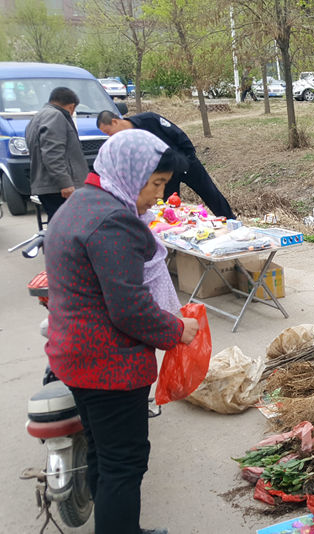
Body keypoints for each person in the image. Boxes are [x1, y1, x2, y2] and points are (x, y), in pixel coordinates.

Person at [44, 128, 199, 534]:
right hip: (107, 365)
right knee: (124, 463)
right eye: (156, 184)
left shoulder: (82, 202)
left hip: (74, 356)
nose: (157, 197)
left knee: (103, 452)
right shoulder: (114, 221)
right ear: (130, 173)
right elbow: (129, 308)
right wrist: (176, 328)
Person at [96, 110, 237, 220]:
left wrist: (188, 155)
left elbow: (176, 133)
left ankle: (231, 220)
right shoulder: (126, 141)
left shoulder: (149, 119)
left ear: (114, 122)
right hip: (164, 174)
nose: (110, 137)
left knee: (210, 193)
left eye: (108, 132)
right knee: (169, 205)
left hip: (186, 162)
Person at [24, 87, 88, 220]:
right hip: (58, 188)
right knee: (67, 227)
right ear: (71, 106)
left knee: (58, 225)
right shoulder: (55, 116)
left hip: (48, 185)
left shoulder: (38, 116)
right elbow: (52, 154)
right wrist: (65, 183)